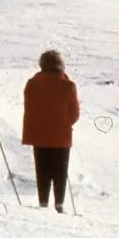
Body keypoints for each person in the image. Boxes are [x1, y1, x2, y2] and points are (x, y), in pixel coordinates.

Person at [21, 49, 80, 213]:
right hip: (61, 135)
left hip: (38, 133)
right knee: (60, 170)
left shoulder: (32, 84)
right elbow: (74, 113)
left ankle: (43, 202)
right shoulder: (68, 85)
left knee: (42, 169)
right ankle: (59, 203)